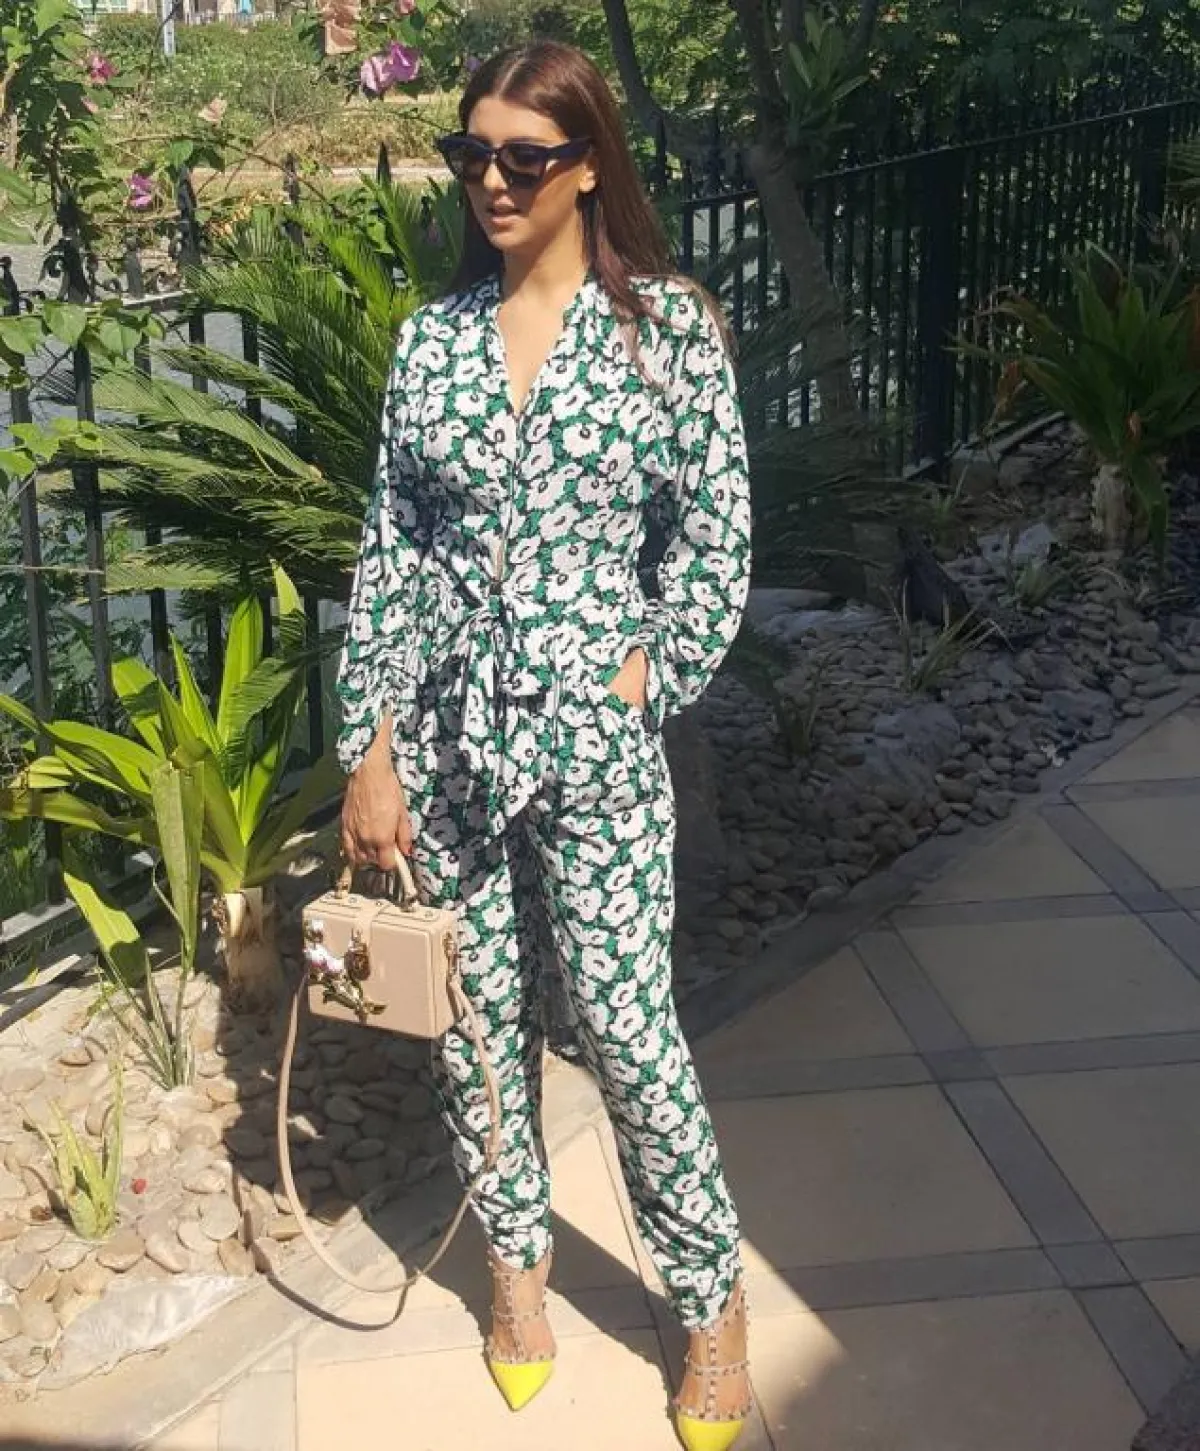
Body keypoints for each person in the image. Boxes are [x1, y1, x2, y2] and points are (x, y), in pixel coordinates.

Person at [336, 37, 753, 1451]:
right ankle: (516, 1267)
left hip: (596, 745)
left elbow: (715, 537)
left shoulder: (666, 333)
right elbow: (393, 550)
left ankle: (708, 1295)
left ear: (587, 166)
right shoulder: (434, 342)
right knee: (475, 1025)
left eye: (526, 156)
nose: (494, 181)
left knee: (629, 1030)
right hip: (447, 744)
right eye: (473, 154)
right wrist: (371, 747)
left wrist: (649, 674)